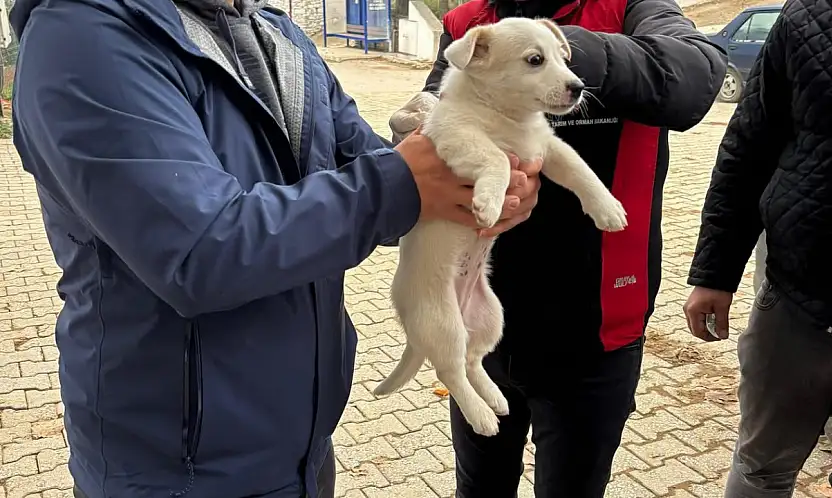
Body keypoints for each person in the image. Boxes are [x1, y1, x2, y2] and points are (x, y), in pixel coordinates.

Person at [8, 0, 543, 495]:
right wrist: (403, 183)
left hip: (301, 448)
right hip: (174, 470)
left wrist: (460, 184)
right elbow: (200, 254)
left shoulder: (277, 33)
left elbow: (367, 173)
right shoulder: (86, 38)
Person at [414, 0, 726, 496]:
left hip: (594, 327)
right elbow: (437, 119)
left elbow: (696, 73)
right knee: (478, 487)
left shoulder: (631, 8)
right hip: (484, 317)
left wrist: (547, 48)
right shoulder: (469, 22)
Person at [684, 0, 832, 495]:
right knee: (764, 466)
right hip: (797, 293)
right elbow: (750, 143)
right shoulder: (808, 15)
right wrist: (714, 272)